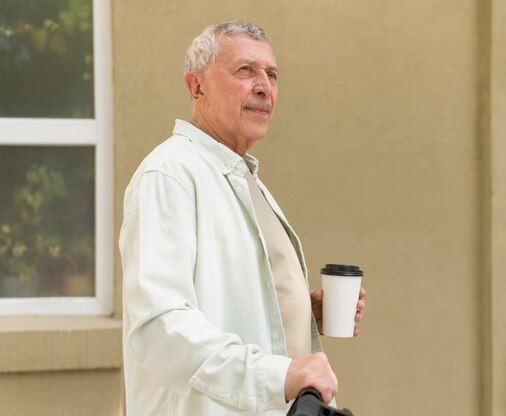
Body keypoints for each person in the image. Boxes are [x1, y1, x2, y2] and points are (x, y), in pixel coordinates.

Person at [119, 21, 366, 416]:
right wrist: (277, 376)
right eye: (245, 71)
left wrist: (300, 315)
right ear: (196, 87)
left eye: (271, 74)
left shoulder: (241, 176)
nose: (264, 86)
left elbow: (232, 304)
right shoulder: (169, 176)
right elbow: (161, 328)